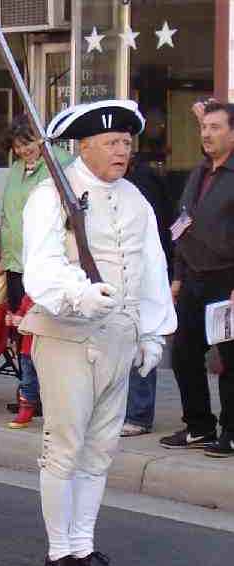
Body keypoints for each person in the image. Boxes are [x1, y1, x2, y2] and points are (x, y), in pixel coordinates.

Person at [20, 100, 176, 566]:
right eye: (110, 142)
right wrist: (79, 293)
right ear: (82, 146)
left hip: (118, 337)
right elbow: (40, 265)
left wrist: (153, 331)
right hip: (68, 335)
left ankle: (84, 545)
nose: (121, 150)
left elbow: (152, 265)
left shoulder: (134, 198)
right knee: (64, 449)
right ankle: (58, 551)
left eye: (127, 142)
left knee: (100, 450)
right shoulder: (50, 195)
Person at [159, 100, 234, 457]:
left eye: (215, 127)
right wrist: (177, 276)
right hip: (193, 280)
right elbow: (182, 227)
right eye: (204, 128)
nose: (206, 134)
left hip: (227, 282)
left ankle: (232, 433)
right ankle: (199, 426)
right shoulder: (199, 173)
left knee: (230, 360)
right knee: (185, 355)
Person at [0, 115, 72, 428]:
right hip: (16, 263)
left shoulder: (61, 163)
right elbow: (8, 215)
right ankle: (29, 395)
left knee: (47, 332)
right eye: (17, 146)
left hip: (46, 262)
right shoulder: (14, 170)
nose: (23, 151)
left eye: (28, 143)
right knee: (21, 331)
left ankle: (52, 396)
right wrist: (2, 257)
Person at [121, 151, 174, 437]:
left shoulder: (140, 184)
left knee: (141, 339)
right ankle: (129, 411)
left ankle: (139, 414)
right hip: (124, 275)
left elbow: (152, 235)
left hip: (142, 273)